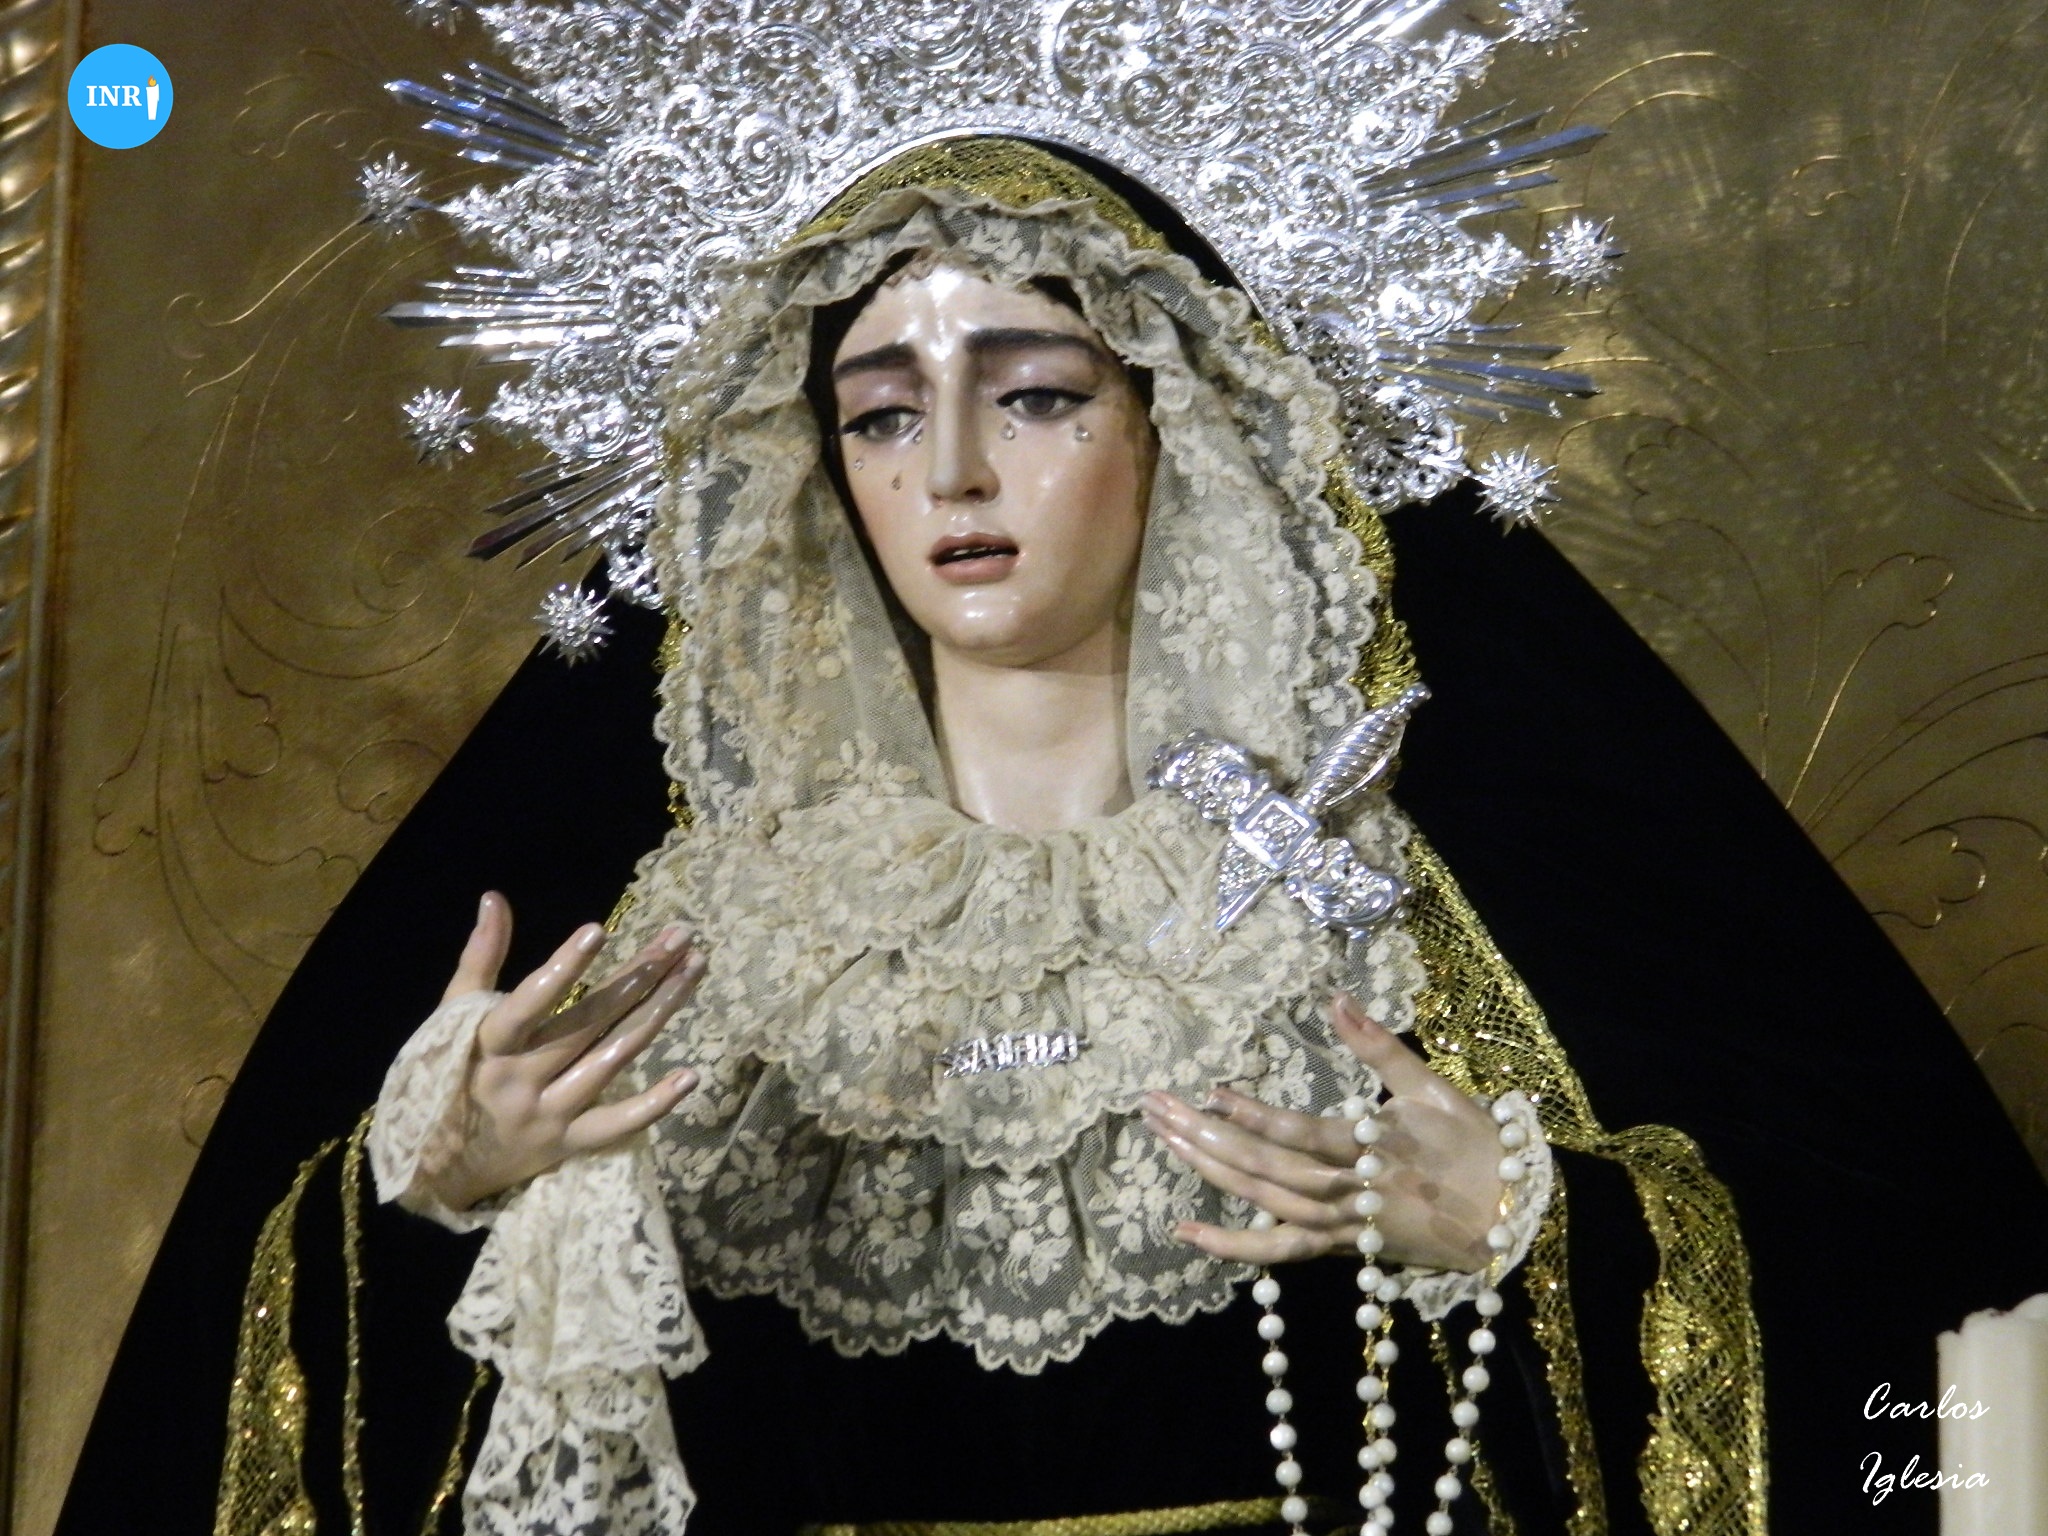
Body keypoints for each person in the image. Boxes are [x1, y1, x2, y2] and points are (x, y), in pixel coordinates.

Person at [57, 110, 2048, 1536]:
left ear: (1175, 421)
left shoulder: (1404, 909)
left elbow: (1958, 1389)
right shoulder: (680, 943)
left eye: (1029, 396)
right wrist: (439, 1203)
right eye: (877, 412)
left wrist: (1544, 1234)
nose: (948, 470)